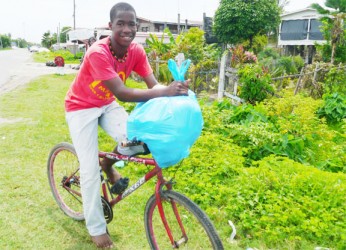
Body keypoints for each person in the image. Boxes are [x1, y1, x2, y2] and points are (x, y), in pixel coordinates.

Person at [64, 2, 189, 248]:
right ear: (110, 26)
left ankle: (108, 163)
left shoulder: (137, 51)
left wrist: (173, 92)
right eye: (120, 23)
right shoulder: (98, 53)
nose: (126, 29)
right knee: (89, 172)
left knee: (138, 138)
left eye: (131, 24)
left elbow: (153, 85)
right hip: (80, 107)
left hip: (105, 104)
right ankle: (97, 229)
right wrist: (165, 92)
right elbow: (121, 92)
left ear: (136, 26)